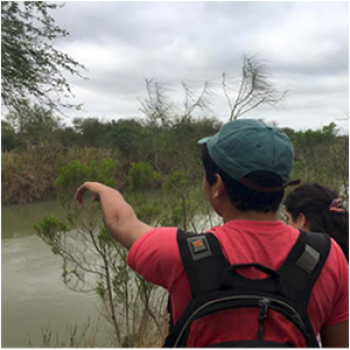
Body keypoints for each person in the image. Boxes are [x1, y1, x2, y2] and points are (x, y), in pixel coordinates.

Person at [75, 119, 350, 349]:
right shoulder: (327, 256)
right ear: (282, 185)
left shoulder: (177, 253)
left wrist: (105, 190)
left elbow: (121, 222)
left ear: (216, 185)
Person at [284, 183, 350, 263]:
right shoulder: (340, 257)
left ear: (302, 219)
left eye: (288, 219)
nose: (287, 226)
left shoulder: (312, 265)